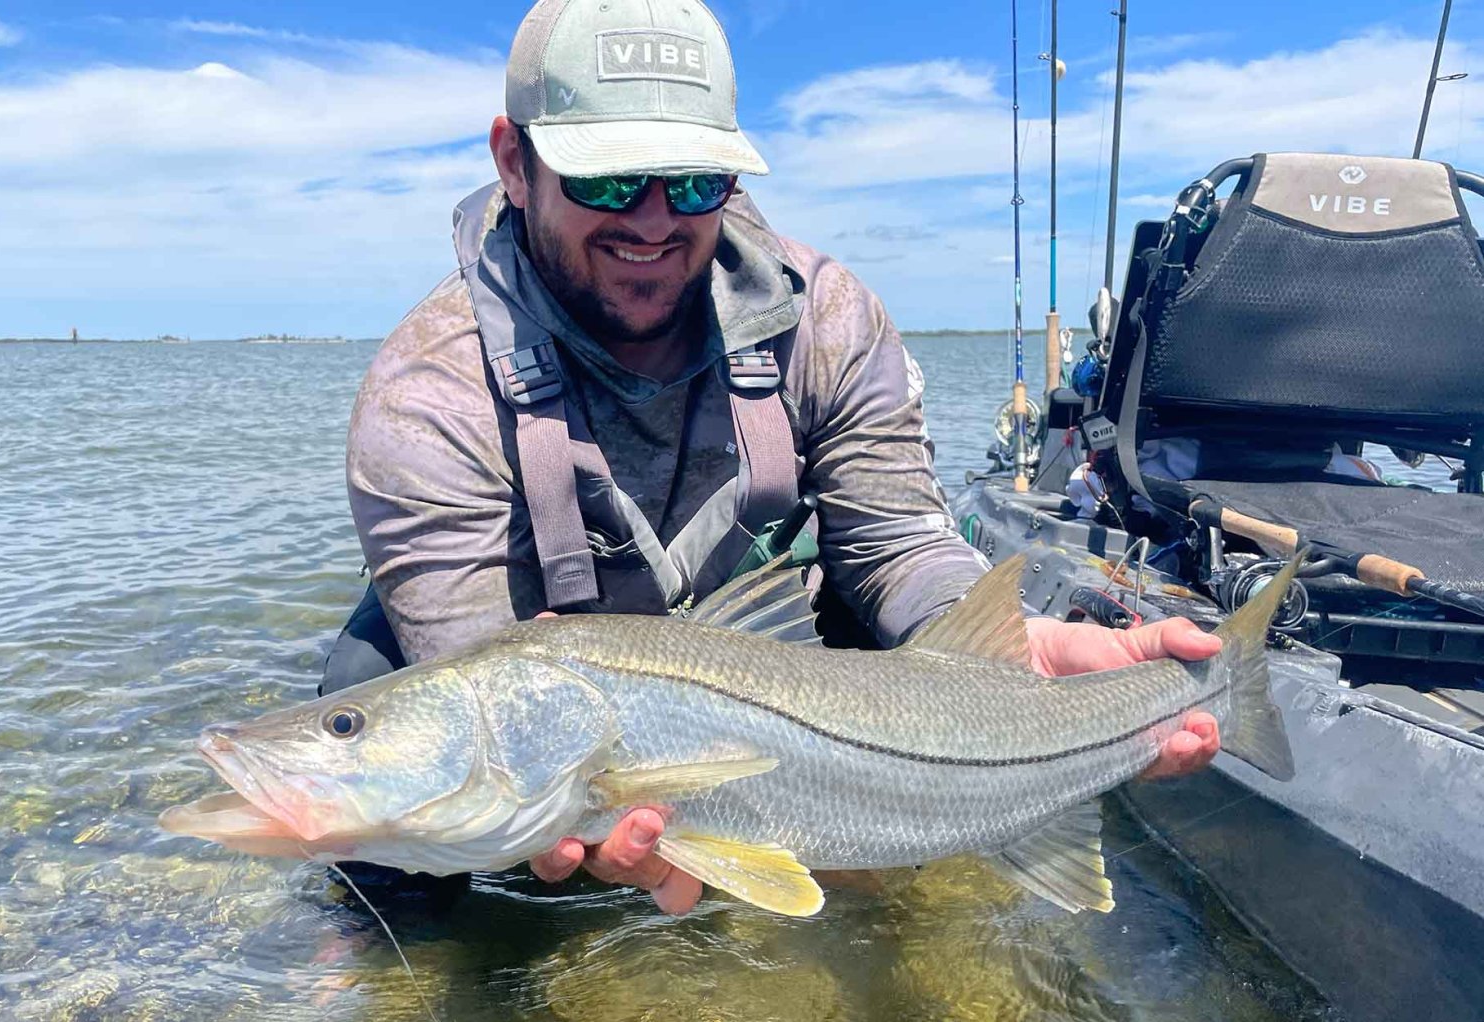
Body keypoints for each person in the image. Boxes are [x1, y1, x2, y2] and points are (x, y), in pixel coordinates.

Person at [327, 0, 1223, 915]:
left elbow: (897, 542)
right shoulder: (424, 397)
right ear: (515, 164)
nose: (652, 220)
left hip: (762, 675)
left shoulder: (828, 316)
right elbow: (485, 685)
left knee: (897, 846)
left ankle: (909, 830)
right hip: (581, 705)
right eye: (609, 180)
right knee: (376, 696)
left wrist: (993, 655)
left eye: (694, 181)